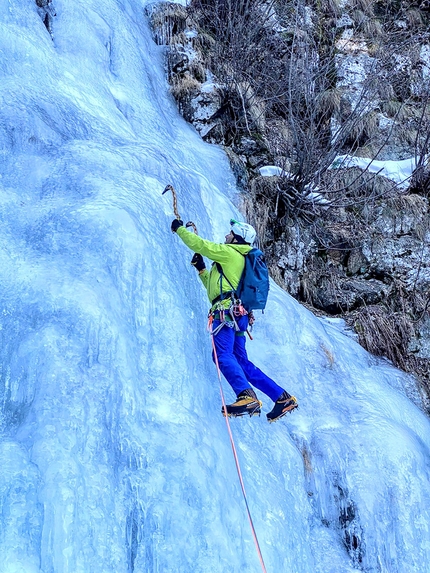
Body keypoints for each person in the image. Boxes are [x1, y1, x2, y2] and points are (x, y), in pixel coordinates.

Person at [171, 217, 298, 422]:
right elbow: (217, 291)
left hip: (226, 313)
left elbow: (200, 244)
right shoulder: (240, 259)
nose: (226, 236)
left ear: (237, 238)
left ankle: (246, 396)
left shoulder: (230, 252)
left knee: (221, 355)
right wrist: (202, 270)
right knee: (241, 361)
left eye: (229, 234)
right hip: (239, 315)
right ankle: (281, 398)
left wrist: (179, 230)